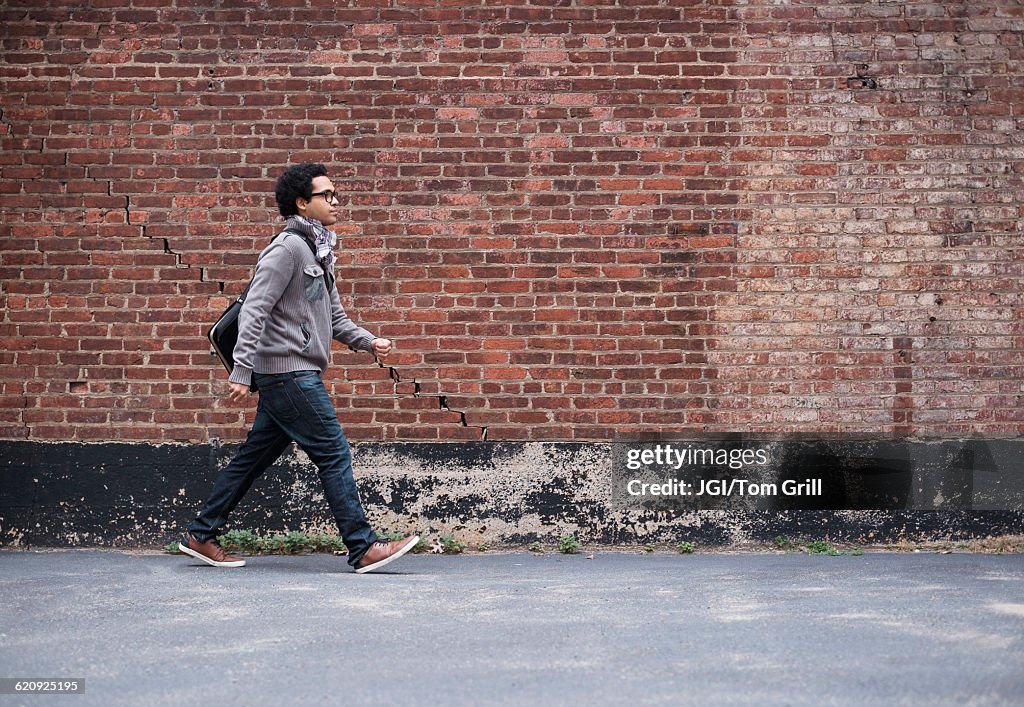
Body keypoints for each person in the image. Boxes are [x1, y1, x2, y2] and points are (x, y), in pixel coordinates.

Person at [179, 163, 418, 573]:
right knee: (333, 452)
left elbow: (335, 318)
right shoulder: (287, 248)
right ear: (302, 203)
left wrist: (368, 340)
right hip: (288, 373)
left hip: (291, 374)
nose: (336, 201)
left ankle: (202, 534)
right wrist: (241, 370)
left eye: (335, 193)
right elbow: (254, 309)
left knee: (251, 460)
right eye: (327, 195)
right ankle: (362, 546)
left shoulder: (319, 251)